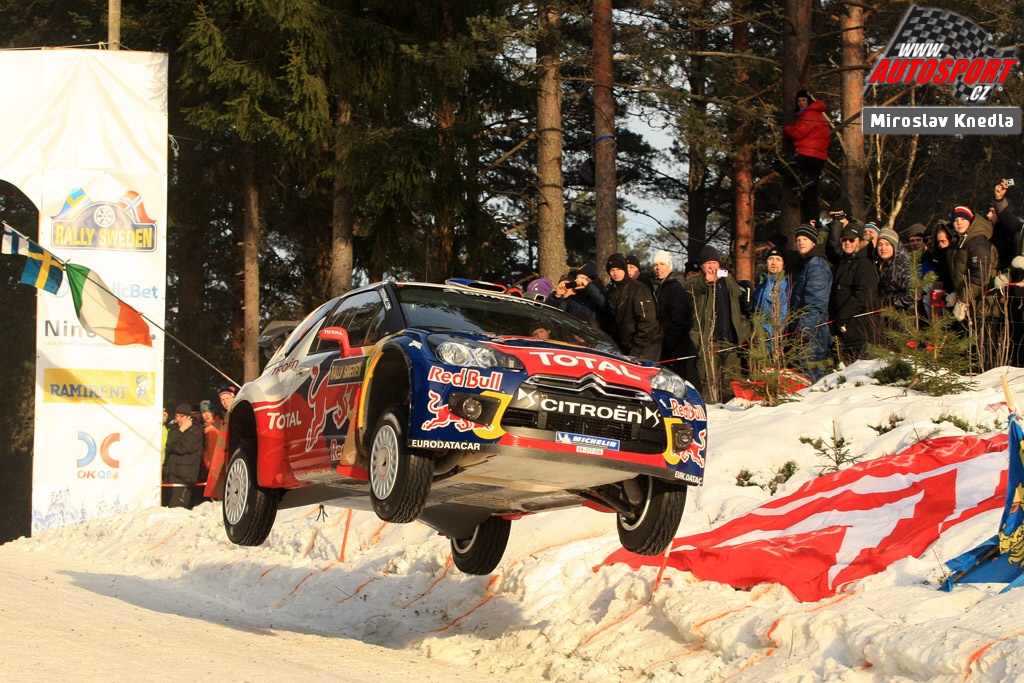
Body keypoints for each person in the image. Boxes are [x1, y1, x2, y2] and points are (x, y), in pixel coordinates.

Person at [684, 245, 752, 403]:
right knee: (710, 388)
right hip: (709, 343)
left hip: (731, 342)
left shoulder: (728, 282)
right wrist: (706, 281)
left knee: (731, 387)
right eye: (707, 263)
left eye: (714, 262)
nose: (711, 266)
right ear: (701, 266)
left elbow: (741, 304)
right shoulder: (696, 284)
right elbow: (689, 288)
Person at [831, 224, 881, 365]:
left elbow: (865, 295)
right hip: (846, 332)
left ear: (859, 241)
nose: (847, 243)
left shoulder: (864, 264)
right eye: (844, 240)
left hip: (862, 331)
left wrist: (842, 315)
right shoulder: (844, 262)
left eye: (851, 240)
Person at [788, 223, 832, 382]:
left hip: (813, 332)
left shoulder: (816, 265)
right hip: (803, 330)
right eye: (798, 239)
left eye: (805, 239)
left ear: (813, 241)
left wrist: (804, 330)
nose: (801, 242)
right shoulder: (805, 265)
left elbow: (816, 302)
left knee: (811, 377)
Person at [781, 90, 830, 226]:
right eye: (799, 101)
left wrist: (786, 129)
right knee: (811, 192)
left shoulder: (809, 114)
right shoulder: (820, 116)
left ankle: (803, 180)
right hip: (819, 157)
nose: (801, 103)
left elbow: (797, 133)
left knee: (782, 165)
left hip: (807, 154)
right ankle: (813, 221)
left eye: (803, 100)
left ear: (809, 101)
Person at [604, 253, 662, 361]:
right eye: (612, 270)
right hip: (626, 344)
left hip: (647, 344)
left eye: (618, 269)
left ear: (624, 270)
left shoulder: (639, 289)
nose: (616, 273)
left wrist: (636, 347)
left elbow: (647, 321)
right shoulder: (611, 292)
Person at [650, 250, 693, 378]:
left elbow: (679, 318)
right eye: (656, 265)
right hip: (661, 343)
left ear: (669, 266)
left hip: (675, 346)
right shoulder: (656, 287)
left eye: (662, 264)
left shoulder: (675, 288)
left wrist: (669, 340)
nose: (658, 268)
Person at [162, 402, 206, 509]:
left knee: (177, 508)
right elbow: (169, 444)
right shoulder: (174, 428)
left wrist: (179, 436)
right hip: (170, 474)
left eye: (182, 416)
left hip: (185, 477)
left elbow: (183, 448)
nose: (179, 419)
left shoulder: (197, 430)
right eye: (177, 416)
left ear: (188, 417)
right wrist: (181, 430)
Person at [752, 246, 790, 349]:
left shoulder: (784, 285)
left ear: (783, 264)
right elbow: (756, 310)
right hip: (758, 337)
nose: (774, 263)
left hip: (773, 340)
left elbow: (783, 313)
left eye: (778, 259)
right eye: (770, 259)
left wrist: (769, 332)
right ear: (766, 263)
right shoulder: (762, 284)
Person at [875, 228, 914, 313]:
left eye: (887, 244)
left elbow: (912, 294)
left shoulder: (903, 264)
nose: (883, 248)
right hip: (890, 314)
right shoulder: (882, 263)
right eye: (880, 245)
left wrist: (890, 302)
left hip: (906, 315)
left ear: (894, 245)